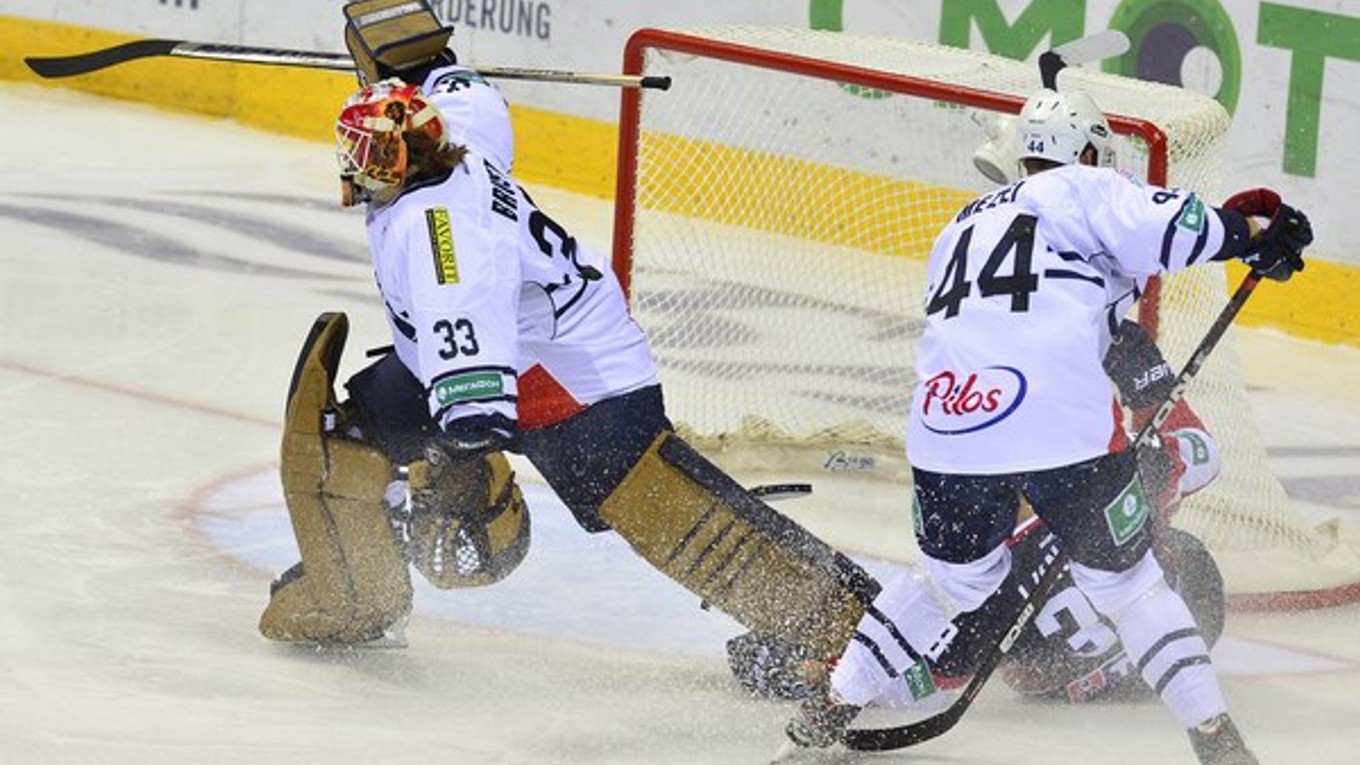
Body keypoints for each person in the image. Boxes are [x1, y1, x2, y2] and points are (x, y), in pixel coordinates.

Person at [257, 76, 881, 666]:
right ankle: (358, 593)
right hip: (541, 351)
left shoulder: (438, 232)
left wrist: (461, 441)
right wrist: (417, 65)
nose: (349, 161)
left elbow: (466, 330)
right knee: (344, 440)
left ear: (387, 162)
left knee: (685, 527)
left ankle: (850, 636)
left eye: (359, 151)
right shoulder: (457, 142)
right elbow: (471, 96)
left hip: (571, 391)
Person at [778, 86, 1312, 765]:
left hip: (947, 424)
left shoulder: (959, 225)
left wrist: (1235, 233)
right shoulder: (1087, 188)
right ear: (1083, 152)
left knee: (948, 582)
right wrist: (1253, 237)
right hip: (1059, 422)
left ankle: (829, 705)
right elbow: (1176, 228)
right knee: (1128, 585)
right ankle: (1218, 742)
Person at [726, 318, 1228, 706]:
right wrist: (1150, 393)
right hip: (1038, 663)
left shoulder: (1033, 560)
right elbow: (1197, 451)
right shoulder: (1114, 516)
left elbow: (931, 675)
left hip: (1011, 640)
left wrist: (817, 675)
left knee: (952, 583)